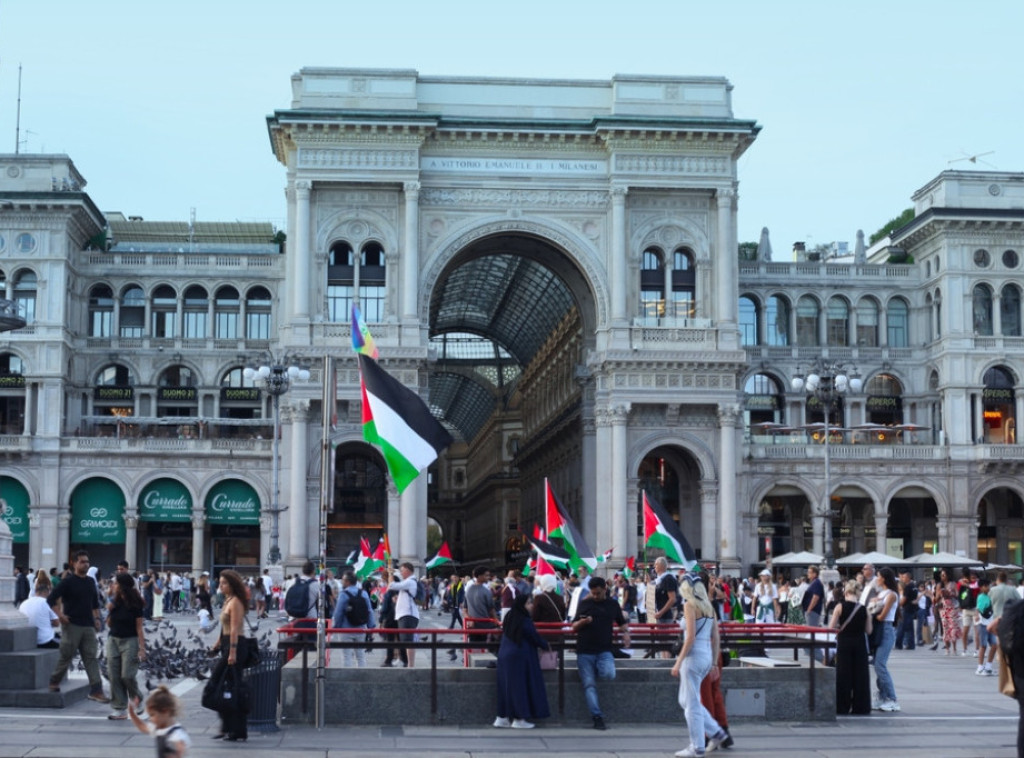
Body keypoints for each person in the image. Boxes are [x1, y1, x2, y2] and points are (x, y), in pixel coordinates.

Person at [670, 572, 729, 758]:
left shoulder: (690, 605)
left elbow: (690, 638)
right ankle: (716, 732)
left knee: (692, 705)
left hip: (693, 657)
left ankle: (697, 747)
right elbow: (716, 637)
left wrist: (678, 662)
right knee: (686, 700)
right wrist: (713, 663)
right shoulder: (708, 606)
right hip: (706, 656)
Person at [46, 550, 110, 702]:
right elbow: (50, 599)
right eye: (82, 562)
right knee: (67, 656)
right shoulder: (67, 582)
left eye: (87, 561)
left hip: (88, 625)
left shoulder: (90, 582)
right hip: (72, 625)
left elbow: (94, 603)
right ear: (74, 563)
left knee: (91, 657)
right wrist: (60, 616)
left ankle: (96, 690)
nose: (86, 564)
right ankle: (54, 680)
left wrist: (97, 618)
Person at [571, 576, 631, 730]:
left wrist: (626, 633)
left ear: (605, 589)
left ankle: (597, 669)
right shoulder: (585, 604)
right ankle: (597, 717)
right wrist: (583, 622)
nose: (595, 596)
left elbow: (621, 622)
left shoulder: (612, 604)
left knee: (609, 674)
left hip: (604, 649)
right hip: (584, 650)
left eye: (598, 593)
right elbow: (574, 626)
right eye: (593, 593)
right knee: (589, 685)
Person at [493, 593, 551, 729]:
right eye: (529, 603)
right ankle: (519, 718)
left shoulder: (509, 615)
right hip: (518, 656)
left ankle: (502, 717)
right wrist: (545, 645)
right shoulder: (524, 619)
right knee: (519, 687)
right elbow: (533, 636)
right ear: (522, 605)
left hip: (504, 654)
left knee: (505, 687)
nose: (531, 606)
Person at [205, 569, 249, 742]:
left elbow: (235, 629)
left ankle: (236, 729)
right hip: (227, 644)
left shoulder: (235, 602)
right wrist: (217, 645)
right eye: (220, 583)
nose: (221, 586)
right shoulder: (227, 600)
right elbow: (225, 627)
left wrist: (232, 652)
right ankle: (228, 727)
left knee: (224, 685)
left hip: (235, 646)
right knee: (227, 687)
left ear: (232, 585)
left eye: (224, 583)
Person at [105, 572, 146, 720]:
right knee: (114, 675)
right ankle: (119, 708)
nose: (113, 585)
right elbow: (109, 624)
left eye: (116, 583)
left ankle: (137, 697)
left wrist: (142, 648)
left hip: (130, 640)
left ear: (122, 586)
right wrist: (110, 608)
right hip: (113, 640)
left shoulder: (135, 603)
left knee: (127, 675)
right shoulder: (115, 601)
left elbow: (139, 628)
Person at [830, 579, 872, 715]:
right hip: (859, 644)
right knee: (860, 676)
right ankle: (860, 707)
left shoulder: (839, 607)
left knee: (843, 675)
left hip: (844, 643)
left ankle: (842, 706)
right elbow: (869, 630)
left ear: (846, 592)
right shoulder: (864, 609)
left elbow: (831, 627)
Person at [128, 685, 191, 757]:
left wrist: (176, 754)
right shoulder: (158, 728)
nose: (150, 719)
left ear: (165, 711)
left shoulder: (176, 733)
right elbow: (142, 727)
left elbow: (180, 747)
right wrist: (132, 713)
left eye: (152, 715)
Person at [331, 570, 376, 668]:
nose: (342, 582)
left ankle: (348, 675)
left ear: (347, 581)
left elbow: (338, 612)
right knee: (360, 656)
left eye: (343, 580)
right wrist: (371, 626)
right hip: (361, 628)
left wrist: (336, 627)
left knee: (346, 656)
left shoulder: (344, 594)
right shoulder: (363, 593)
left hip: (346, 629)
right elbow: (369, 610)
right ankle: (361, 674)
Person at [870, 567, 900, 711]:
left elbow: (882, 616)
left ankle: (892, 699)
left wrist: (871, 612)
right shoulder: (881, 593)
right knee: (877, 664)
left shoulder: (892, 595)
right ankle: (882, 696)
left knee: (880, 664)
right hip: (878, 629)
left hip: (886, 628)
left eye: (879, 576)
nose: (877, 578)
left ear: (884, 578)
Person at [386, 562, 421, 667]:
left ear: (407, 570)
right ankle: (408, 664)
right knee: (405, 641)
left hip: (407, 615)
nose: (401, 573)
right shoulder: (409, 582)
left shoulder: (410, 581)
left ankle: (410, 665)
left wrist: (390, 574)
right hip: (405, 614)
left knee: (407, 641)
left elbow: (392, 585)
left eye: (402, 570)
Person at [18, 576, 59, 648]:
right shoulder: (47, 602)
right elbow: (56, 623)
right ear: (46, 592)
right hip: (45, 640)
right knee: (68, 643)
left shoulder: (24, 603)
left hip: (28, 640)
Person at [895, 569, 918, 651]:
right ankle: (911, 644)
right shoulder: (914, 586)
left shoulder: (907, 587)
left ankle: (898, 644)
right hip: (912, 609)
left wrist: (898, 606)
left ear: (908, 578)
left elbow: (904, 599)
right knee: (910, 628)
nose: (903, 579)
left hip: (906, 609)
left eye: (904, 577)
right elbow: (915, 598)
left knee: (901, 627)